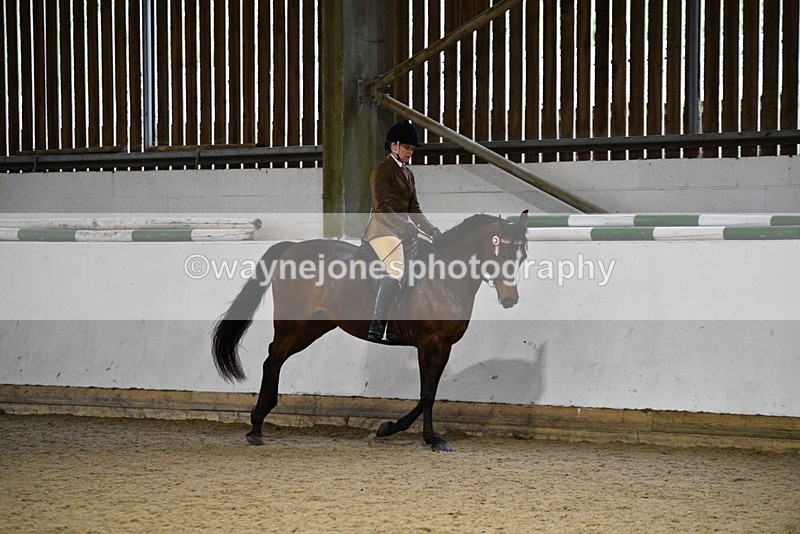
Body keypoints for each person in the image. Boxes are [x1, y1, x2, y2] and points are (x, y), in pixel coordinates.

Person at [363, 120, 441, 342]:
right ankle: (378, 324)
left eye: (412, 148)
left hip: (402, 232)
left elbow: (414, 208)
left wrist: (432, 230)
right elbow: (381, 207)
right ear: (393, 146)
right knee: (396, 270)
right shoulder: (382, 170)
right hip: (382, 230)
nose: (410, 152)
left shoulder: (409, 174)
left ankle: (400, 323)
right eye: (407, 147)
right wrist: (405, 226)